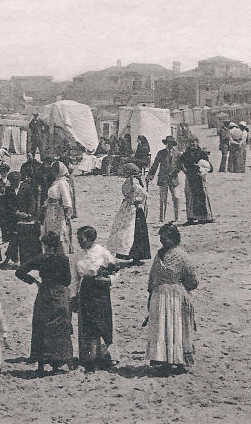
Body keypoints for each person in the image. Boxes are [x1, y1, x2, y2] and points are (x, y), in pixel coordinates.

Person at [15, 232, 73, 374]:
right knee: (58, 327)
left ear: (45, 245)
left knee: (41, 326)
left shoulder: (41, 258)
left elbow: (19, 271)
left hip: (44, 293)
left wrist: (34, 281)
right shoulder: (63, 259)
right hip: (59, 293)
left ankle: (40, 364)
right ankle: (56, 364)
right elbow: (67, 280)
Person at [146, 224, 199, 375]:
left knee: (175, 327)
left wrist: (179, 288)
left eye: (165, 238)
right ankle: (162, 360)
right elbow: (152, 277)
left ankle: (178, 359)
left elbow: (193, 280)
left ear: (174, 238)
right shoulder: (159, 255)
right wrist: (151, 295)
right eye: (161, 237)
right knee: (161, 328)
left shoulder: (182, 256)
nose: (162, 240)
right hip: (158, 296)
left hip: (175, 297)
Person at [70, 226, 118, 373]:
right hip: (85, 290)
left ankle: (104, 357)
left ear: (90, 238)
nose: (79, 242)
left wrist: (108, 280)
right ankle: (89, 359)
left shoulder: (102, 252)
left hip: (100, 290)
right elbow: (75, 279)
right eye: (78, 239)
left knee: (102, 323)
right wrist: (73, 296)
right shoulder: (78, 256)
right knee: (88, 325)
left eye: (81, 239)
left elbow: (116, 271)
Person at [107, 164, 151, 264]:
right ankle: (136, 256)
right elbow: (143, 194)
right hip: (134, 208)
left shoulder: (131, 181)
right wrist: (138, 200)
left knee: (129, 231)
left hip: (129, 208)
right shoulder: (134, 181)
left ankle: (130, 255)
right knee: (135, 232)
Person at [146, 136, 181, 224]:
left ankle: (177, 218)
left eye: (171, 143)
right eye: (167, 143)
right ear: (166, 144)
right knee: (163, 199)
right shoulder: (161, 153)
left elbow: (181, 165)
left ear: (173, 144)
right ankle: (162, 219)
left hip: (174, 179)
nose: (169, 145)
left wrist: (177, 170)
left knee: (176, 198)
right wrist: (150, 175)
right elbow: (155, 165)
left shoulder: (177, 153)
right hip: (163, 179)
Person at [42, 161, 75, 255]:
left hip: (58, 211)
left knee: (59, 232)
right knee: (50, 231)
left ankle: (61, 253)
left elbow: (67, 199)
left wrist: (67, 214)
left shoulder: (62, 183)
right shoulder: (56, 181)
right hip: (51, 210)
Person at [178, 141, 214, 225]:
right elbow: (179, 164)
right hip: (189, 177)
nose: (192, 144)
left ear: (197, 143)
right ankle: (191, 217)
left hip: (200, 177)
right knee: (190, 196)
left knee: (202, 195)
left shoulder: (202, 153)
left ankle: (205, 217)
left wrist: (202, 169)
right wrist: (184, 169)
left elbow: (209, 167)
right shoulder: (185, 154)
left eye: (194, 142)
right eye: (191, 143)